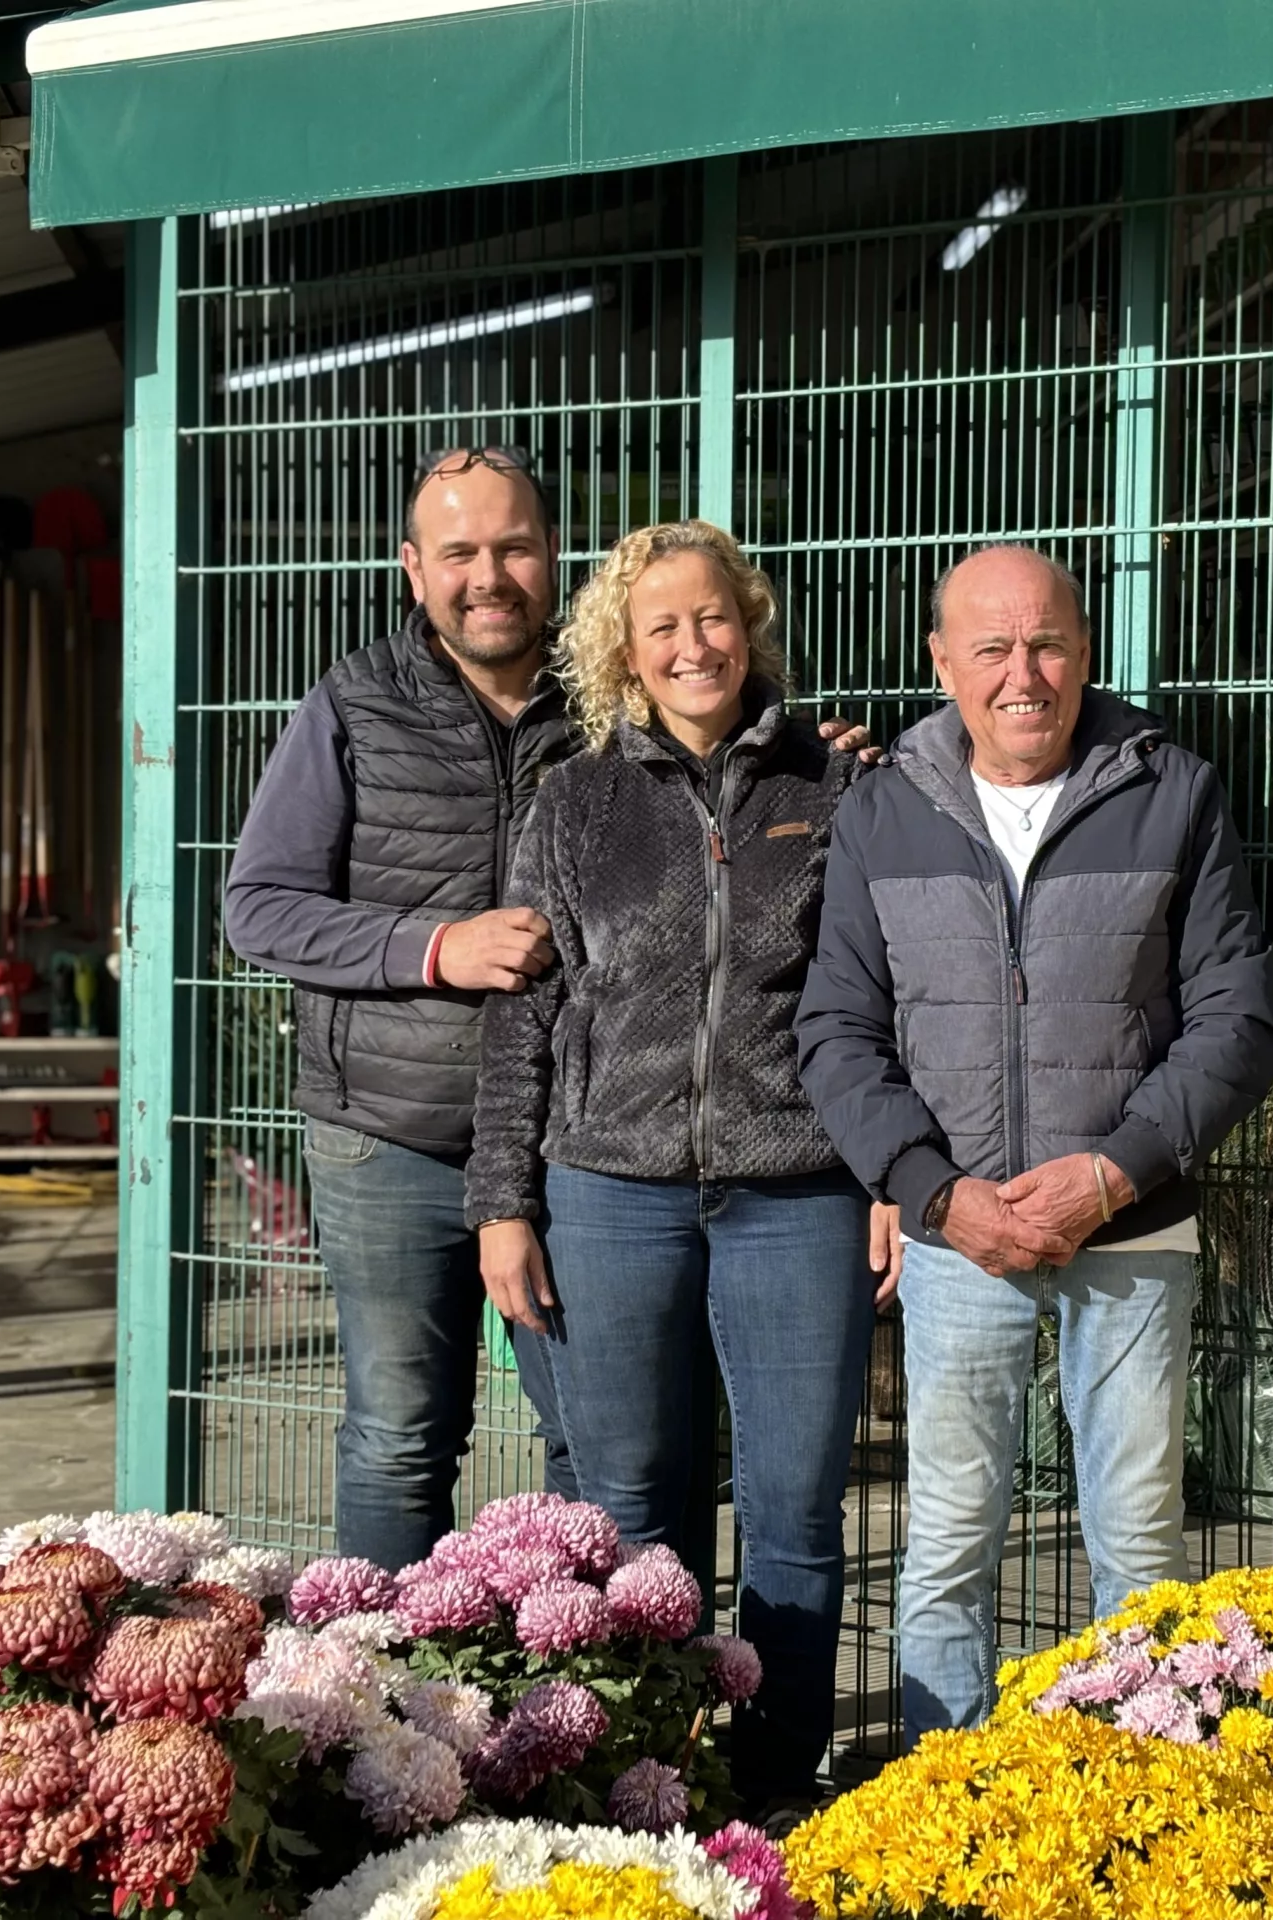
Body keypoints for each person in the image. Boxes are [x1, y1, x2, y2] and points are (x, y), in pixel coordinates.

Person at [224, 452, 872, 1573]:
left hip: (572, 1146)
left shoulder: (611, 709)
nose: (490, 576)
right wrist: (432, 948)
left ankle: (590, 1703)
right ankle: (369, 1708)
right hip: (392, 1132)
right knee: (399, 1437)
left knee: (596, 1454)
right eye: (461, 554)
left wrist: (825, 761)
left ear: (553, 560)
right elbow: (258, 909)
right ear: (412, 569)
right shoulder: (355, 703)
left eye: (514, 548)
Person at [794, 543, 1273, 1741]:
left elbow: (1238, 1018)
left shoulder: (1172, 791)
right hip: (963, 1238)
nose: (1025, 674)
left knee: (1138, 1547)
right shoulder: (882, 808)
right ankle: (941, 1796)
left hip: (1133, 1227)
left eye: (1049, 643)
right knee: (950, 1543)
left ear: (1085, 650)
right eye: (993, 648)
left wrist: (1115, 1171)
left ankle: (1145, 1798)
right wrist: (933, 1193)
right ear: (943, 663)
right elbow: (835, 1028)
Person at [464, 520, 897, 1813]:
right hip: (609, 1189)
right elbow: (523, 1015)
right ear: (625, 651)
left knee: (795, 1512)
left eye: (713, 617)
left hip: (799, 1188)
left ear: (748, 626)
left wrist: (887, 1172)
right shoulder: (573, 801)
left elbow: (879, 1000)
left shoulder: (837, 784)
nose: (693, 643)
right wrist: (503, 1204)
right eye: (664, 626)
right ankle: (646, 1784)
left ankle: (772, 1787)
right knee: (628, 1506)